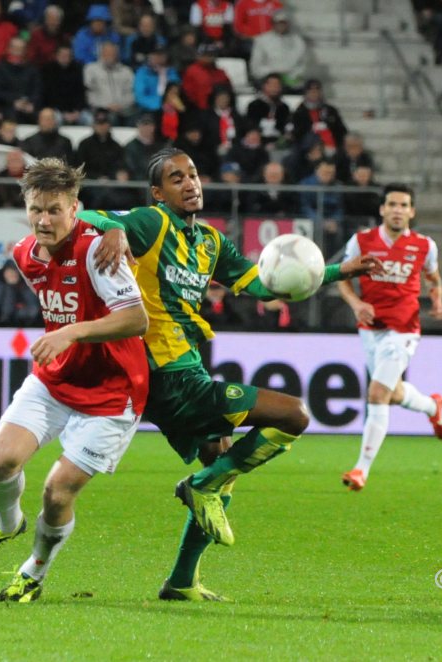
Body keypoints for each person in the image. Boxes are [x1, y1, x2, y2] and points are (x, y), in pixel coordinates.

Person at [76, 146, 381, 601]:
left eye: (193, 174)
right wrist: (118, 229)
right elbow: (92, 217)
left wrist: (339, 270)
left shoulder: (211, 242)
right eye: (176, 178)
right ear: (158, 192)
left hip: (187, 369)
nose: (190, 183)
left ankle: (182, 580)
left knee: (222, 460)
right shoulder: (152, 222)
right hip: (167, 373)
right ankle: (200, 486)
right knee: (294, 415)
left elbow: (265, 285)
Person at [0, 158, 149, 603]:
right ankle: (6, 524)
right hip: (56, 380)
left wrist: (72, 330)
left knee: (56, 492)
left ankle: (34, 571)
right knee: (2, 461)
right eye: (36, 209)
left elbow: (136, 320)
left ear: (75, 208)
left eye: (55, 210)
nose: (44, 220)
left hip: (113, 392)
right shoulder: (23, 253)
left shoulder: (98, 253)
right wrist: (66, 334)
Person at [338, 184, 442, 492]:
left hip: (404, 330)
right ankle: (432, 407)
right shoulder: (361, 241)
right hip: (371, 330)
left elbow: (433, 278)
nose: (398, 210)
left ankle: (361, 470)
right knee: (393, 393)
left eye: (404, 205)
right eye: (392, 204)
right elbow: (343, 280)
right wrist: (357, 304)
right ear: (382, 209)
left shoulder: (425, 246)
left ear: (412, 211)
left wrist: (437, 300)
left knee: (376, 394)